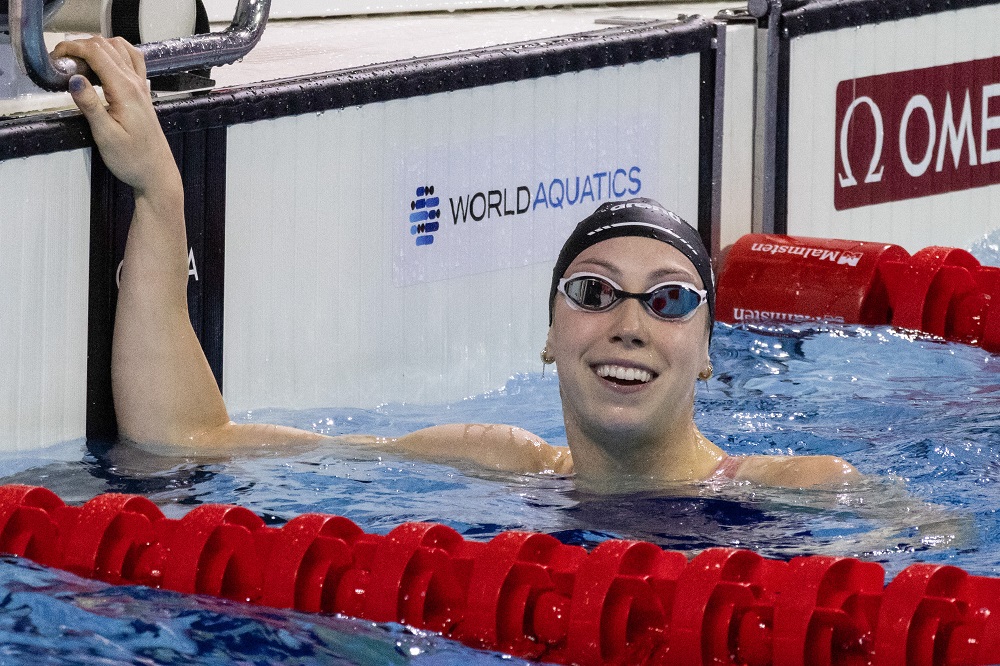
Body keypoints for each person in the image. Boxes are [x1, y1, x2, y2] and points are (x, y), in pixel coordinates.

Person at [58, 37, 860, 492]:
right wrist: (160, 193)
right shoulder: (496, 462)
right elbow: (183, 435)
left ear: (711, 349)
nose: (628, 326)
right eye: (593, 291)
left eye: (670, 301)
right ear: (549, 333)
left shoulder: (803, 490)